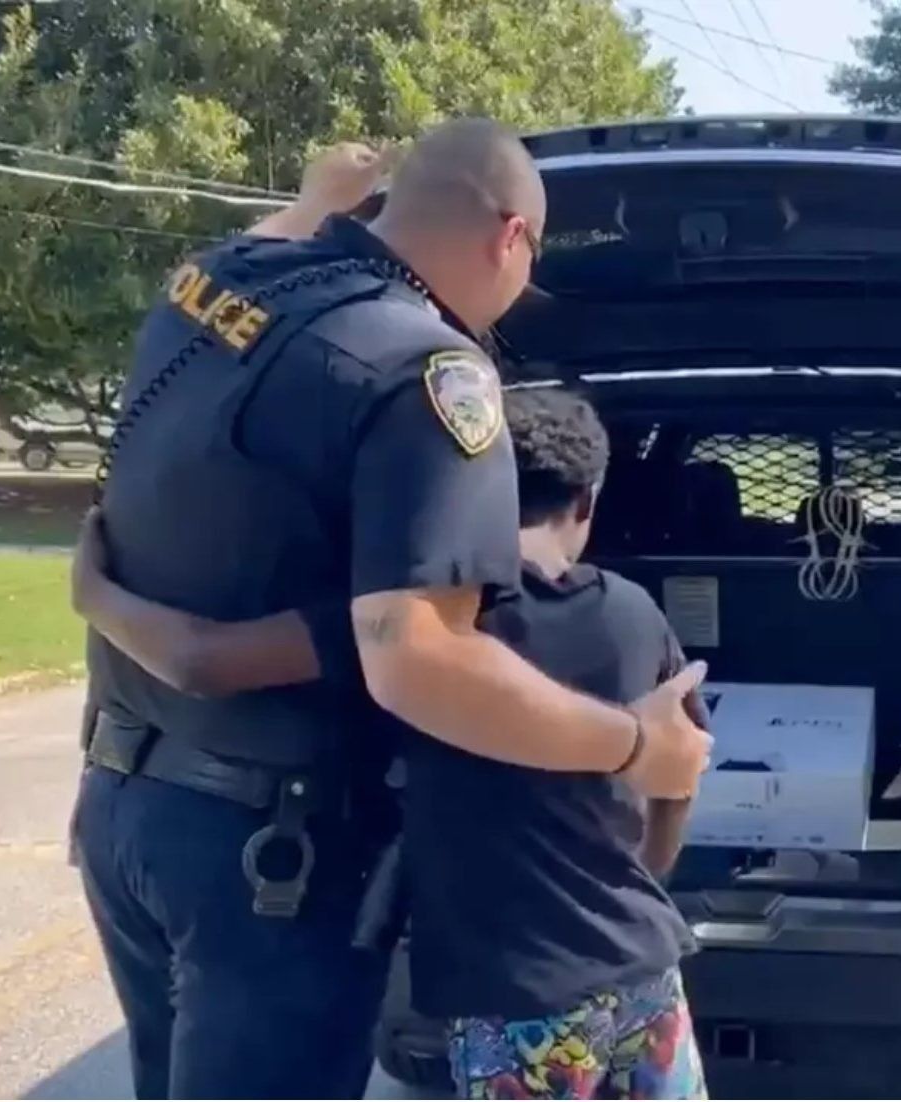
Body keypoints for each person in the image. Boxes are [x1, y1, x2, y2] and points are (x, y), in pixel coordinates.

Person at [72, 118, 711, 1100]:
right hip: (268, 860)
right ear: (512, 238)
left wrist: (312, 200)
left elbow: (272, 238)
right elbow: (415, 657)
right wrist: (636, 745)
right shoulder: (434, 374)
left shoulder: (215, 276)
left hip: (130, 808)